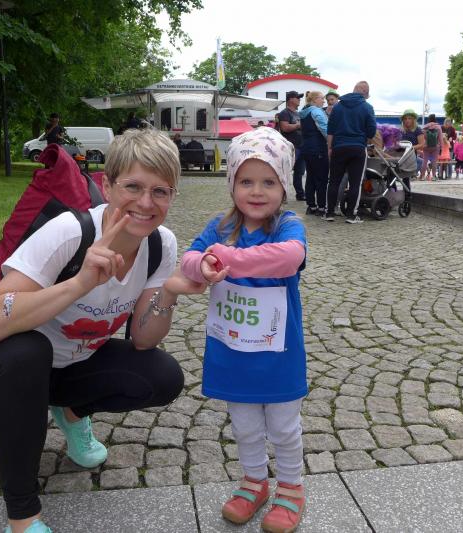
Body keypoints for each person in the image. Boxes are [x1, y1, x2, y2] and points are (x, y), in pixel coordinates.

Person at [0, 129, 206, 533]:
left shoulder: (160, 244)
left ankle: (72, 412)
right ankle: (22, 516)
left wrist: (169, 292)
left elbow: (143, 339)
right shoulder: (70, 232)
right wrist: (79, 283)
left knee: (162, 376)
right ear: (106, 185)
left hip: (71, 367)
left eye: (160, 191)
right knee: (29, 351)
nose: (146, 203)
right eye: (133, 187)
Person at [180, 127, 308, 533]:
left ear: (284, 186)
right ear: (232, 183)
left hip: (278, 352)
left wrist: (229, 258)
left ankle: (291, 487)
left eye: (269, 182)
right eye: (246, 181)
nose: (256, 191)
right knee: (245, 426)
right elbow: (189, 257)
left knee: (284, 427)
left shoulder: (287, 225)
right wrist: (201, 265)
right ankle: (254, 481)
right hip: (233, 350)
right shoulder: (220, 226)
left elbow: (289, 258)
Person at [324, 81, 376, 223]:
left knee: (333, 181)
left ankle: (329, 213)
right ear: (365, 93)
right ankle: (351, 215)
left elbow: (330, 130)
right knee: (355, 183)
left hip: (338, 147)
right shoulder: (367, 107)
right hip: (358, 148)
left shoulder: (337, 107)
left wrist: (330, 148)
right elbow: (372, 131)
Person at [299, 90, 329, 216]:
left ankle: (311, 206)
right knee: (321, 178)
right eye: (322, 98)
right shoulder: (316, 111)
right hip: (318, 148)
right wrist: (332, 143)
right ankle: (321, 207)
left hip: (306, 148)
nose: (324, 101)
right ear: (315, 99)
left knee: (310, 178)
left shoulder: (303, 112)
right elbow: (325, 129)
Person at [278, 91, 305, 201]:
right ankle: (281, 195)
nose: (299, 99)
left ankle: (300, 194)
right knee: (285, 171)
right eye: (297, 97)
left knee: (299, 172)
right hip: (290, 147)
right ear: (290, 99)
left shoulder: (298, 113)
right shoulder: (284, 113)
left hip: (301, 146)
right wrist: (299, 125)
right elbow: (284, 128)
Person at [399, 109, 425, 176]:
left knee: (406, 175)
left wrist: (410, 148)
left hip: (411, 156)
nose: (407, 120)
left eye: (409, 118)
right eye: (405, 119)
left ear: (413, 120)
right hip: (400, 155)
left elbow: (422, 144)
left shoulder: (418, 130)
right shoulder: (401, 130)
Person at [420, 114, 443, 181]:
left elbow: (422, 137)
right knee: (434, 161)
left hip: (426, 146)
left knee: (425, 161)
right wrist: (441, 147)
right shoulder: (438, 127)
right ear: (435, 119)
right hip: (435, 146)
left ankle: (422, 176)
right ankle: (433, 177)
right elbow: (440, 138)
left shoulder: (425, 127)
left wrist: (421, 145)